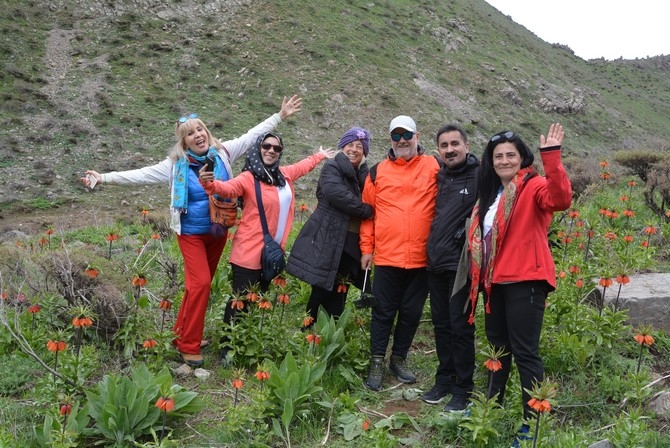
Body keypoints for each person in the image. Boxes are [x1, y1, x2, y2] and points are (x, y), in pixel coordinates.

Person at [81, 95, 303, 367]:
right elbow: (139, 174)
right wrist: (103, 177)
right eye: (190, 133)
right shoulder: (175, 165)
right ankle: (188, 345)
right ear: (183, 142)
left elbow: (252, 135)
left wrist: (279, 116)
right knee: (200, 284)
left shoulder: (223, 152)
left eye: (200, 129)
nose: (197, 135)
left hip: (217, 230)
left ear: (206, 132)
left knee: (195, 286)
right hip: (190, 233)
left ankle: (182, 334)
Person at [466, 123, 571, 441]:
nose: (504, 160)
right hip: (494, 283)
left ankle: (533, 422)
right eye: (498, 156)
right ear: (491, 161)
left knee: (525, 352)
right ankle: (490, 407)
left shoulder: (534, 186)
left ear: (522, 157)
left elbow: (561, 198)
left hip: (525, 279)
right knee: (498, 350)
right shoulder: (491, 196)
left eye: (511, 154)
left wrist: (551, 156)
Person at [199, 131, 335, 359]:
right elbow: (226, 188)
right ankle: (226, 347)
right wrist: (210, 184)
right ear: (258, 149)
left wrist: (319, 155)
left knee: (256, 299)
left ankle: (244, 341)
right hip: (248, 252)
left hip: (271, 254)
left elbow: (303, 166)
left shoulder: (283, 175)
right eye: (266, 146)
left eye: (276, 148)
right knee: (240, 299)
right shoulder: (248, 178)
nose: (271, 151)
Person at [360, 115, 440, 391]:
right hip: (387, 257)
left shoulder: (434, 166)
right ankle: (377, 362)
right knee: (382, 312)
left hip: (422, 258)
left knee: (411, 312)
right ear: (390, 141)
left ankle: (399, 358)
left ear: (418, 135)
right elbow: (368, 216)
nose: (402, 140)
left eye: (406, 134)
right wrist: (366, 249)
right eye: (396, 136)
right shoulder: (376, 172)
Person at [285, 127, 374, 324]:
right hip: (330, 237)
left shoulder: (364, 176)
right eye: (350, 144)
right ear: (342, 147)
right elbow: (338, 196)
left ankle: (331, 328)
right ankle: (310, 328)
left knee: (342, 286)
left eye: (359, 146)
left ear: (365, 152)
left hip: (351, 240)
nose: (354, 149)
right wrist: (367, 210)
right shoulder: (332, 167)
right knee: (323, 285)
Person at [422, 124, 479, 411]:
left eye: (455, 143)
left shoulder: (481, 175)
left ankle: (463, 387)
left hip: (461, 266)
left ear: (466, 146)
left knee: (460, 327)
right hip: (435, 263)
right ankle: (444, 378)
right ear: (439, 151)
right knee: (441, 325)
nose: (450, 149)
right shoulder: (440, 176)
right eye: (444, 145)